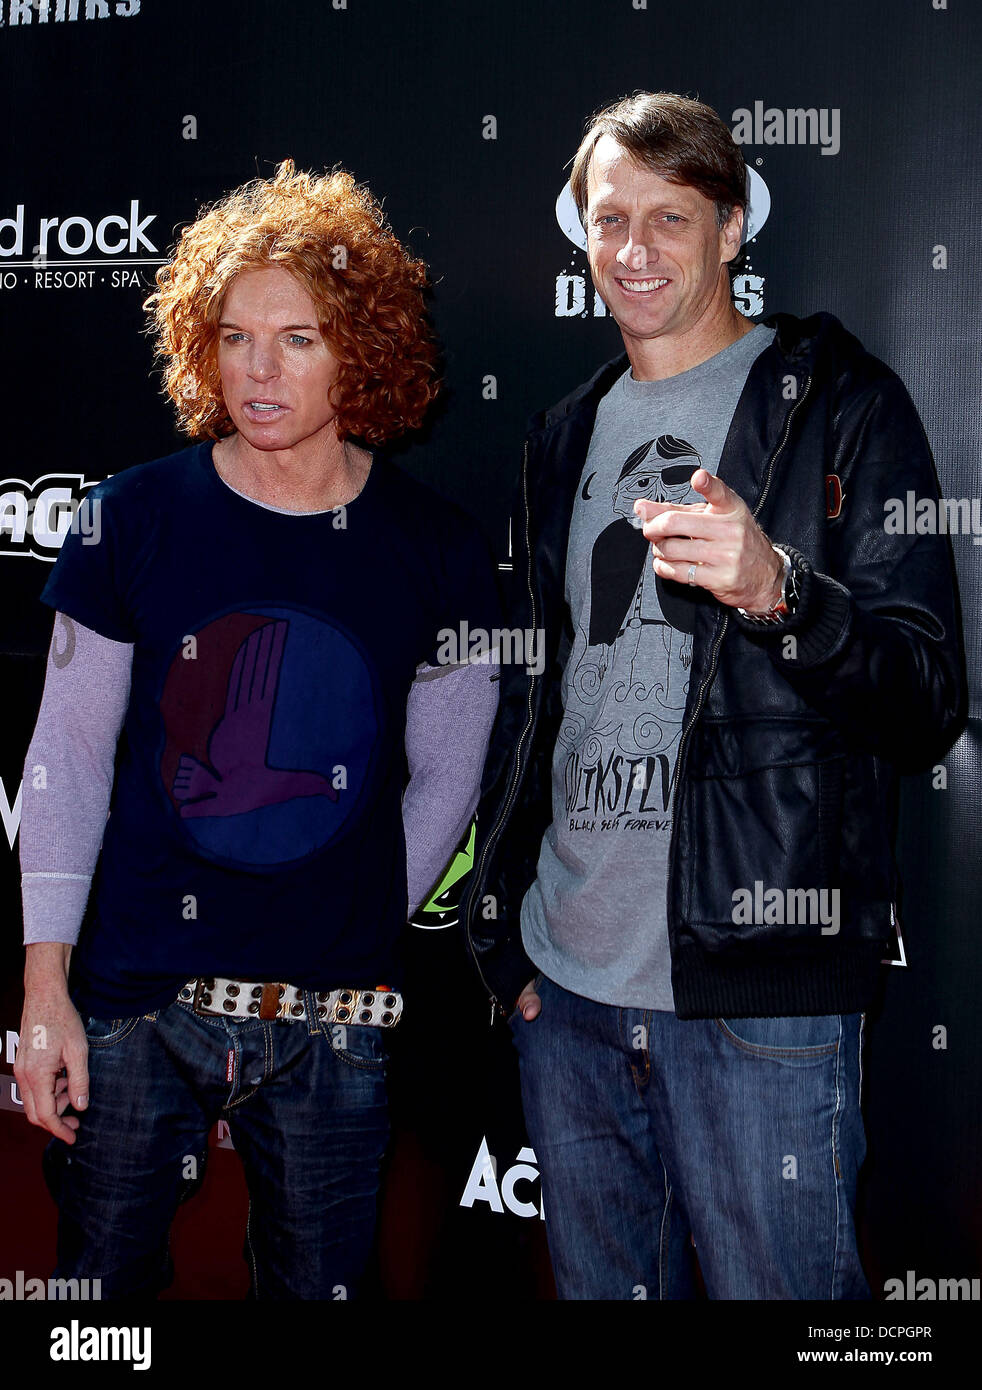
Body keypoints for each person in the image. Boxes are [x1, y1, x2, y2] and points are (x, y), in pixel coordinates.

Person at [465, 92, 965, 1300]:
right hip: (567, 993)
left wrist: (782, 591)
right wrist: (505, 947)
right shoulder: (562, 431)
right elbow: (539, 702)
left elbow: (925, 698)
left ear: (732, 227)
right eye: (608, 218)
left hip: (757, 996)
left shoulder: (837, 402)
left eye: (670, 218)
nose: (632, 250)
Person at [15, 160, 500, 1300]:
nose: (259, 370)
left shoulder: (438, 546)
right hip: (135, 1003)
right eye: (234, 336)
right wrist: (46, 994)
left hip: (338, 1019)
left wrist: (354, 916)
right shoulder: (126, 516)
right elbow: (68, 754)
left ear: (363, 348)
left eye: (297, 339)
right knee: (96, 1311)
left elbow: (450, 774)